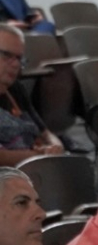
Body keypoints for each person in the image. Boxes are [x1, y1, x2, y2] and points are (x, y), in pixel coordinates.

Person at [0, 24, 66, 165]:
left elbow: (45, 133)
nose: (16, 64)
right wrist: (40, 154)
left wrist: (55, 147)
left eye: (19, 58)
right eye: (6, 55)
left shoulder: (15, 88)